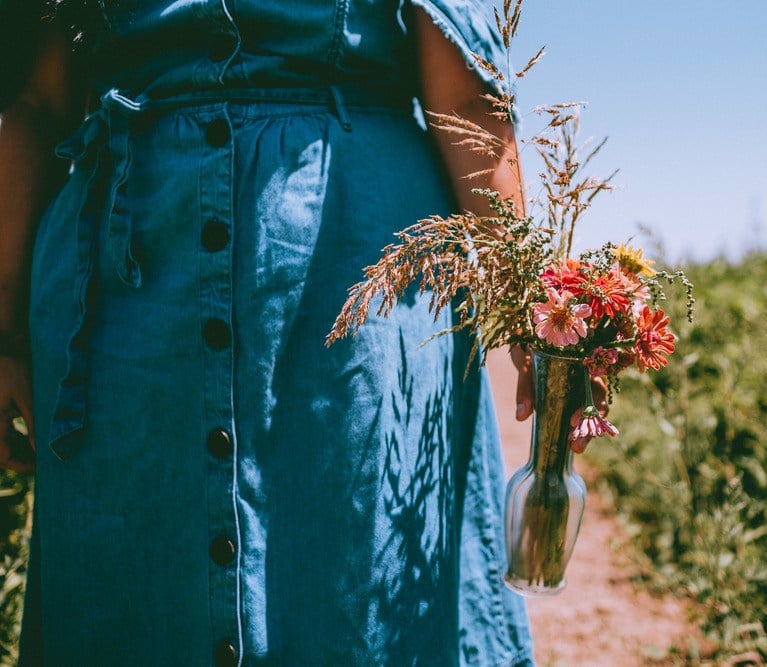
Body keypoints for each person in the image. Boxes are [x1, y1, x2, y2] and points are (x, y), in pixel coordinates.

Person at [0, 0, 596, 663]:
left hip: (356, 265)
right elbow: (38, 104)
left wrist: (530, 306)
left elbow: (463, 94)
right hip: (122, 296)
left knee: (358, 578)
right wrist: (4, 337)